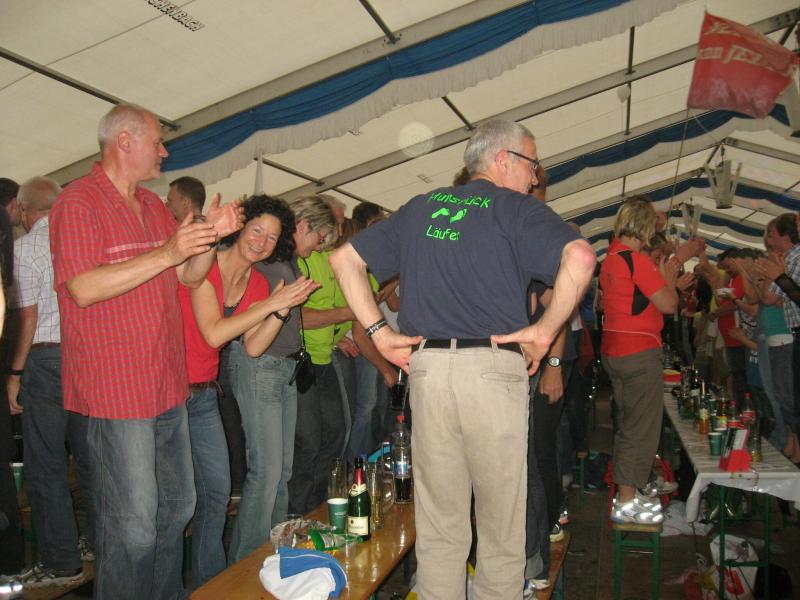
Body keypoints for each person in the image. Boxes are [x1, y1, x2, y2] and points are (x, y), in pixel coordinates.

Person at [331, 119, 595, 599]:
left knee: (440, 525)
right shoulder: (516, 209)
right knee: (501, 525)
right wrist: (544, 332)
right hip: (493, 369)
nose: (534, 178)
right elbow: (580, 257)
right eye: (532, 165)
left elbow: (343, 259)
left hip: (429, 370)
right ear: (504, 160)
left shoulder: (420, 207)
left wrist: (379, 334)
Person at [49, 102, 243, 600]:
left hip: (166, 385)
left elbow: (187, 277)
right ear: (125, 142)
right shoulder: (78, 202)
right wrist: (167, 252)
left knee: (177, 508)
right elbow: (83, 289)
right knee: (132, 526)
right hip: (116, 392)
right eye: (157, 142)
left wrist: (209, 239)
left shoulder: (154, 207)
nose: (165, 151)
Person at [184, 195, 317, 571]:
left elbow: (255, 346)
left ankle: (245, 568)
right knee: (186, 501)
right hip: (172, 387)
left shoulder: (257, 282)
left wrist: (281, 308)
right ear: (240, 228)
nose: (262, 242)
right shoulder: (207, 265)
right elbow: (214, 333)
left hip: (205, 387)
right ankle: (241, 568)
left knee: (225, 491)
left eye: (272, 237)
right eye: (257, 231)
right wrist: (269, 306)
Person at [7, 177, 95, 587]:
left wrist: (14, 373)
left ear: (25, 210)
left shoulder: (24, 248)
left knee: (46, 464)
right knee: (90, 460)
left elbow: (26, 316)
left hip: (44, 359)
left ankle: (61, 561)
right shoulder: (81, 242)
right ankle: (97, 542)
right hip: (86, 357)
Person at [599, 197, 689, 523]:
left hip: (614, 349)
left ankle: (628, 492)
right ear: (645, 227)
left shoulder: (610, 258)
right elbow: (668, 304)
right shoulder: (636, 261)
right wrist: (669, 280)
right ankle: (627, 500)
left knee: (629, 426)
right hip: (638, 351)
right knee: (642, 429)